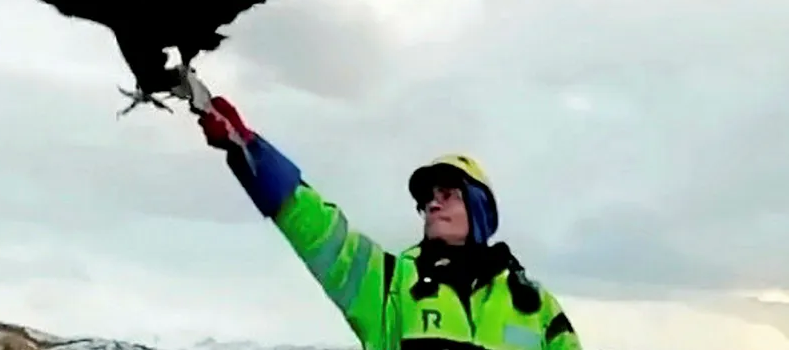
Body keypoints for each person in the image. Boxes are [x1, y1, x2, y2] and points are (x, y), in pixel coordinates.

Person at [196, 96, 583, 350]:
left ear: (480, 207)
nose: (432, 203)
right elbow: (318, 229)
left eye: (447, 193)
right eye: (427, 197)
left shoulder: (536, 306)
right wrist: (248, 150)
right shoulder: (390, 283)